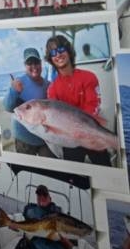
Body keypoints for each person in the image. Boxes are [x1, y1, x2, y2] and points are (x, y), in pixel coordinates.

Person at [44, 34, 112, 166]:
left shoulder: (89, 77)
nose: (58, 55)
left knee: (105, 169)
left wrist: (84, 131)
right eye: (53, 52)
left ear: (68, 51)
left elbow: (93, 106)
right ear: (51, 59)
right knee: (74, 181)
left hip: (93, 135)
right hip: (70, 141)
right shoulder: (52, 89)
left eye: (61, 49)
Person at [6, 185, 81, 249]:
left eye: (44, 195)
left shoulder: (59, 216)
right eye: (39, 195)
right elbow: (24, 226)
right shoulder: (30, 211)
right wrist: (14, 226)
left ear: (50, 197)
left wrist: (64, 241)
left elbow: (71, 245)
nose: (41, 197)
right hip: (34, 248)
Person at [4, 48, 53, 157]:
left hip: (44, 138)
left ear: (40, 63)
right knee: (27, 172)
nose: (34, 66)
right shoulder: (18, 82)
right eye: (29, 63)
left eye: (36, 62)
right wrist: (14, 90)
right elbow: (7, 107)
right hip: (24, 139)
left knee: (50, 170)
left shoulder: (48, 85)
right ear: (25, 65)